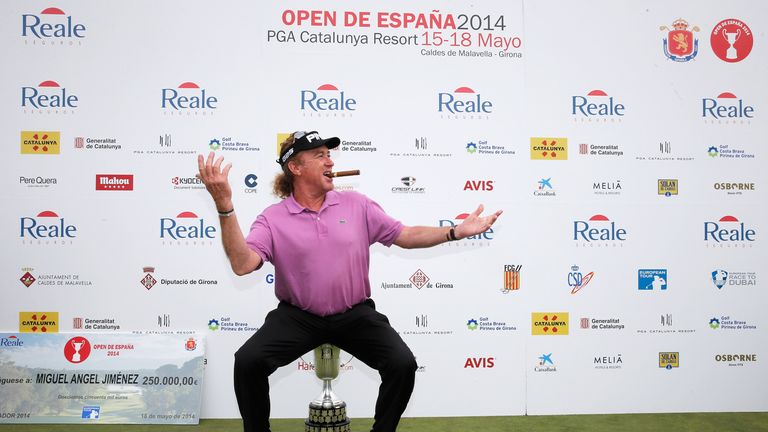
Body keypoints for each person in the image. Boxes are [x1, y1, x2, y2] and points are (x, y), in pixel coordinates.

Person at [196, 131, 502, 432]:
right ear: (295, 167)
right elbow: (242, 263)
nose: (330, 161)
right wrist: (225, 205)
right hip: (298, 316)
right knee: (248, 361)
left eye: (330, 155)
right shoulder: (273, 218)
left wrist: (453, 232)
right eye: (320, 156)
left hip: (354, 313)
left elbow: (405, 236)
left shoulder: (357, 204)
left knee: (402, 364)